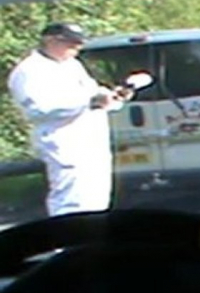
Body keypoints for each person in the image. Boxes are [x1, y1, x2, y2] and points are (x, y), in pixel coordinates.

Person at [6, 22, 133, 217]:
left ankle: (93, 240)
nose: (76, 48)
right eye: (71, 44)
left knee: (96, 199)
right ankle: (66, 239)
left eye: (79, 44)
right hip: (64, 143)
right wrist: (89, 102)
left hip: (91, 142)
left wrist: (114, 96)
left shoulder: (72, 65)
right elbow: (39, 109)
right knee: (71, 200)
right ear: (50, 41)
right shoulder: (29, 71)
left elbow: (93, 94)